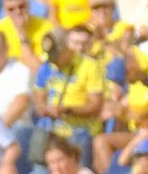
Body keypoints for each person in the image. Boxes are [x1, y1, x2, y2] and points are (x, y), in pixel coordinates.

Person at [33, 27, 105, 164]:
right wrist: (43, 108)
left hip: (80, 132)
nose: (54, 61)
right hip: (51, 133)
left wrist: (67, 109)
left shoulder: (89, 66)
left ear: (67, 48)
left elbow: (96, 106)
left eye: (57, 56)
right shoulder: (46, 67)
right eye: (51, 58)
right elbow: (39, 97)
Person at [0, 0, 52, 71]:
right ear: (5, 11)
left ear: (28, 5)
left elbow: (39, 70)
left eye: (21, 7)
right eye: (11, 9)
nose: (18, 12)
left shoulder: (46, 27)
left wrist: (22, 36)